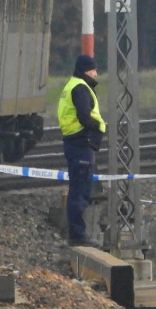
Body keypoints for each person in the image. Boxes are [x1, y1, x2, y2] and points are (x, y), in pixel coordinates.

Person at [57, 54, 107, 246]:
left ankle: (77, 234)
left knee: (78, 188)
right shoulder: (80, 88)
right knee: (80, 190)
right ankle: (78, 236)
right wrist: (97, 126)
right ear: (87, 70)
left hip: (74, 142)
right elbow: (84, 116)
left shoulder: (71, 85)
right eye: (94, 69)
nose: (96, 73)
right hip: (81, 142)